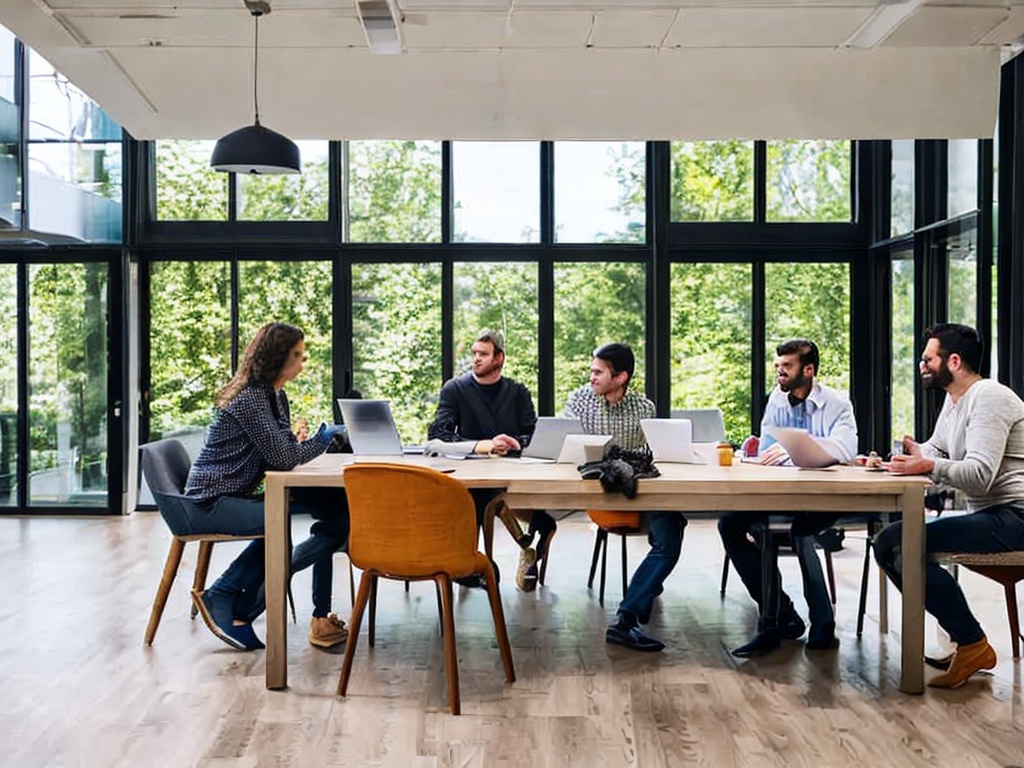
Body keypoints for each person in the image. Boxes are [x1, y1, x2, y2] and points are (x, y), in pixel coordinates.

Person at [874, 323, 1024, 688]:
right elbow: (937, 451)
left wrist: (926, 465)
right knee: (892, 542)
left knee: (894, 543)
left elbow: (979, 476)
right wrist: (902, 459)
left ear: (953, 361)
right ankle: (968, 640)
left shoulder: (989, 396)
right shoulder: (955, 400)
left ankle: (971, 643)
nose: (922, 365)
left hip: (1016, 517)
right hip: (992, 516)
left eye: (928, 359)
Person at [184, 322, 350, 651]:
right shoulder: (251, 399)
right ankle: (223, 592)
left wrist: (307, 442)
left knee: (338, 517)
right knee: (273, 522)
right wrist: (324, 438)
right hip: (212, 498)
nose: (303, 362)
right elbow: (284, 459)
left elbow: (283, 449)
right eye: (297, 355)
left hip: (240, 492)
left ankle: (246, 605)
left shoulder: (275, 395)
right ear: (278, 358)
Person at [718, 339, 858, 657]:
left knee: (798, 529)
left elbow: (846, 449)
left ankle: (821, 625)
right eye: (778, 366)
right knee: (729, 524)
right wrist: (766, 450)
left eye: (787, 366)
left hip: (824, 496)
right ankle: (782, 614)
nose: (780, 372)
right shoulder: (777, 400)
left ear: (808, 370)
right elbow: (768, 442)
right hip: (780, 493)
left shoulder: (838, 404)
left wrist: (791, 450)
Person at [565, 342, 684, 652]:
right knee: (670, 534)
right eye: (591, 371)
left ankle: (625, 619)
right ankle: (641, 597)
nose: (591, 377)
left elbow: (652, 455)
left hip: (641, 493)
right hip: (600, 495)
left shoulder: (645, 409)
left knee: (672, 530)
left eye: (597, 372)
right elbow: (567, 451)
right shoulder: (578, 402)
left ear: (620, 377)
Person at [426, 329, 554, 591]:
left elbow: (535, 436)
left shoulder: (518, 392)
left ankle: (477, 564)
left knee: (500, 492)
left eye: (483, 354)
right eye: (474, 353)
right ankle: (521, 545)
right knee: (482, 493)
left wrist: (515, 443)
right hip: (471, 473)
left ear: (499, 358)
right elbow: (437, 434)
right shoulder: (455, 389)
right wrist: (483, 446)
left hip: (513, 470)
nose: (476, 359)